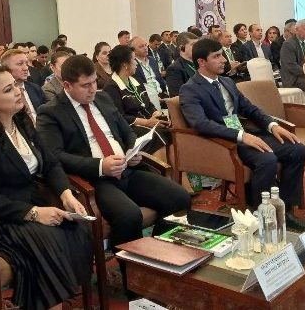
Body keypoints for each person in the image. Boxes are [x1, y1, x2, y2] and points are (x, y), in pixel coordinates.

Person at [0, 67, 92, 310]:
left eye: (16, 86)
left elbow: (50, 163)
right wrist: (34, 213)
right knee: (48, 239)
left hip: (29, 201)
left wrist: (66, 194)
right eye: (9, 89)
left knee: (76, 228)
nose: (19, 92)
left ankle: (63, 298)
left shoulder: (21, 120)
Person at [36, 56, 190, 259]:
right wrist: (100, 165)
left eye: (94, 82)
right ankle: (131, 272)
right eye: (85, 85)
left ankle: (159, 255)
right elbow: (54, 156)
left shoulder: (102, 99)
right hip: (96, 180)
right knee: (129, 215)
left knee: (180, 198)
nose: (92, 89)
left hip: (127, 170)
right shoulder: (51, 112)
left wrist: (133, 151)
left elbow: (127, 132)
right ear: (67, 85)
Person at [179, 39, 305, 229]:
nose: (224, 60)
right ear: (201, 62)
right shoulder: (190, 89)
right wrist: (241, 136)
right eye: (216, 56)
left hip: (245, 135)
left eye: (222, 55)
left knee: (297, 149)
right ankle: (262, 214)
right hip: (224, 142)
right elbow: (200, 124)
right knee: (267, 159)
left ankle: (285, 210)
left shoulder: (227, 81)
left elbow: (250, 109)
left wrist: (272, 125)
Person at [102, 46, 169, 154]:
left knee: (168, 127)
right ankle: (162, 165)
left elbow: (149, 104)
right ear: (125, 64)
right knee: (156, 135)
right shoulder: (111, 87)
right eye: (134, 59)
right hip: (130, 128)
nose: (137, 63)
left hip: (148, 121)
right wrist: (147, 122)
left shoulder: (135, 81)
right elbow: (120, 117)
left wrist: (156, 114)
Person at [1, 49, 47, 123]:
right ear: (7, 69)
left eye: (26, 63)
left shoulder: (35, 88)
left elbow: (47, 113)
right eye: (20, 64)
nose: (26, 68)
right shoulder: (4, 94)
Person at [131, 36, 167, 104]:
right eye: (141, 46)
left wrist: (168, 89)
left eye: (145, 45)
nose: (145, 48)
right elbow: (138, 87)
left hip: (161, 94)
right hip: (148, 98)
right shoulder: (132, 64)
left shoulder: (152, 60)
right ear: (133, 50)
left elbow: (159, 79)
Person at [279, 19, 305, 92]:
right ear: (296, 30)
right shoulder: (288, 44)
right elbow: (291, 66)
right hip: (293, 78)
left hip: (304, 75)